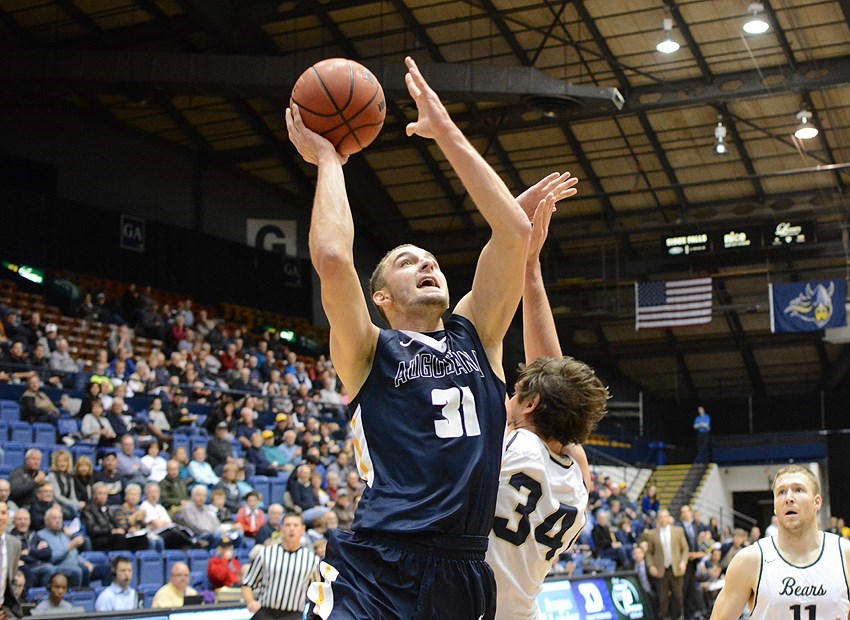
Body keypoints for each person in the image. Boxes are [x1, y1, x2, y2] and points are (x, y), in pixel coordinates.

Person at [291, 52, 532, 619]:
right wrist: (329, 160)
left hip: (466, 569)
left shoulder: (481, 337)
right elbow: (330, 256)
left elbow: (514, 231)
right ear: (381, 297)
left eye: (431, 259)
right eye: (406, 262)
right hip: (380, 563)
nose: (427, 263)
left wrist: (446, 132)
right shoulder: (369, 349)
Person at [710, 464, 850, 619]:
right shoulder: (750, 560)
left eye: (798, 489)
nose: (789, 498)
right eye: (781, 492)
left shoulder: (845, 554)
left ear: (817, 502)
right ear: (775, 507)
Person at [243, 513, 319, 620]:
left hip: (293, 615)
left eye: (295, 525)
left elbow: (316, 592)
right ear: (281, 528)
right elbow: (247, 583)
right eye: (288, 525)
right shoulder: (266, 553)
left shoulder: (312, 560)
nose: (291, 529)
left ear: (303, 529)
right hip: (266, 613)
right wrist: (250, 602)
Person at [645, 508, 689, 620]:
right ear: (658, 519)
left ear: (668, 518)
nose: (663, 519)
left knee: (678, 597)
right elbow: (649, 553)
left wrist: (683, 562)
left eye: (665, 516)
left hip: (676, 568)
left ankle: (678, 617)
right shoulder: (652, 534)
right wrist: (651, 566)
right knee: (663, 598)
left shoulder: (678, 531)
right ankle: (665, 617)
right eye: (660, 517)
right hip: (661, 569)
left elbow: (685, 549)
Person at [0, 501, 23, 618]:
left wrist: (6, 609)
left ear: (8, 517)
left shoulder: (15, 544)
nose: (0, 517)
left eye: (3, 513)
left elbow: (11, 580)